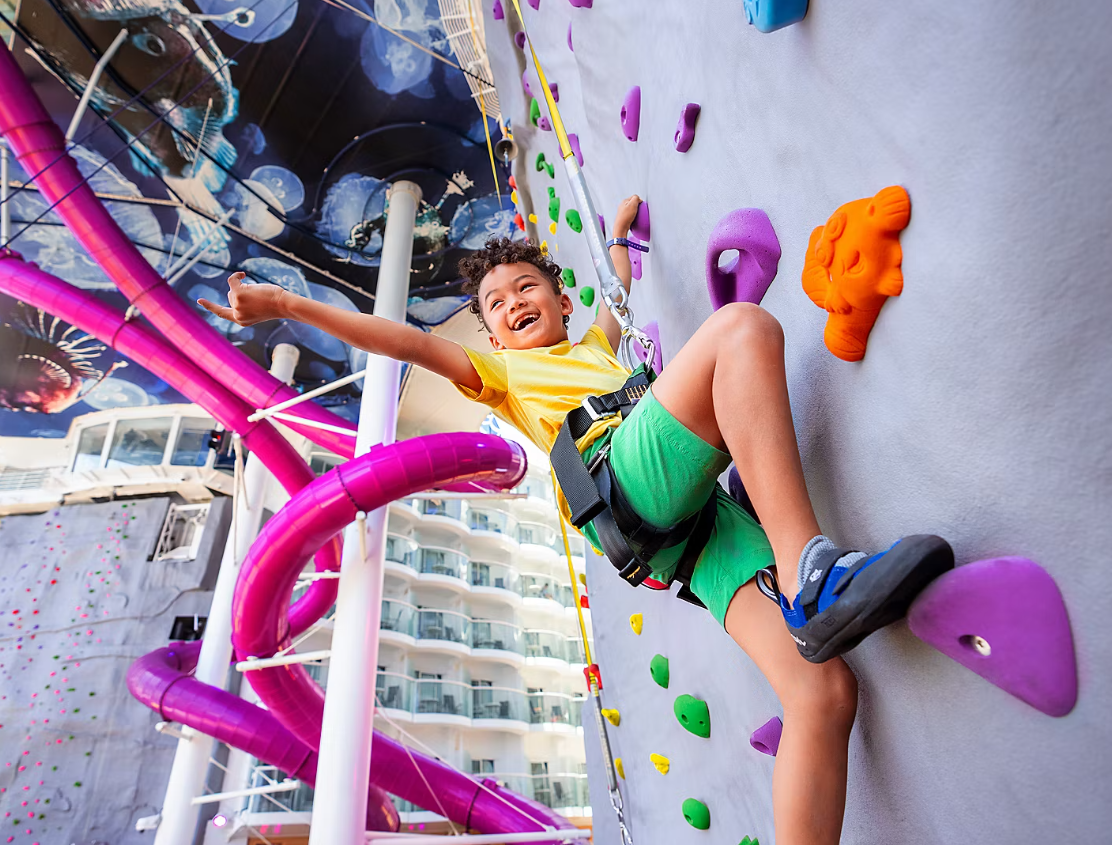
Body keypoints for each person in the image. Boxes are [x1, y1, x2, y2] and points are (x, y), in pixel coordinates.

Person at [200, 195, 953, 845]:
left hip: (690, 538)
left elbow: (611, 296)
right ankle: (809, 572)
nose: (512, 302)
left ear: (559, 300)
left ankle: (806, 588)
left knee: (823, 693)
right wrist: (287, 305)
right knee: (741, 331)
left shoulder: (595, 344)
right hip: (627, 488)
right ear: (492, 336)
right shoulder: (502, 374)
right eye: (496, 304)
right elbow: (409, 343)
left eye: (526, 286)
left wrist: (620, 239)